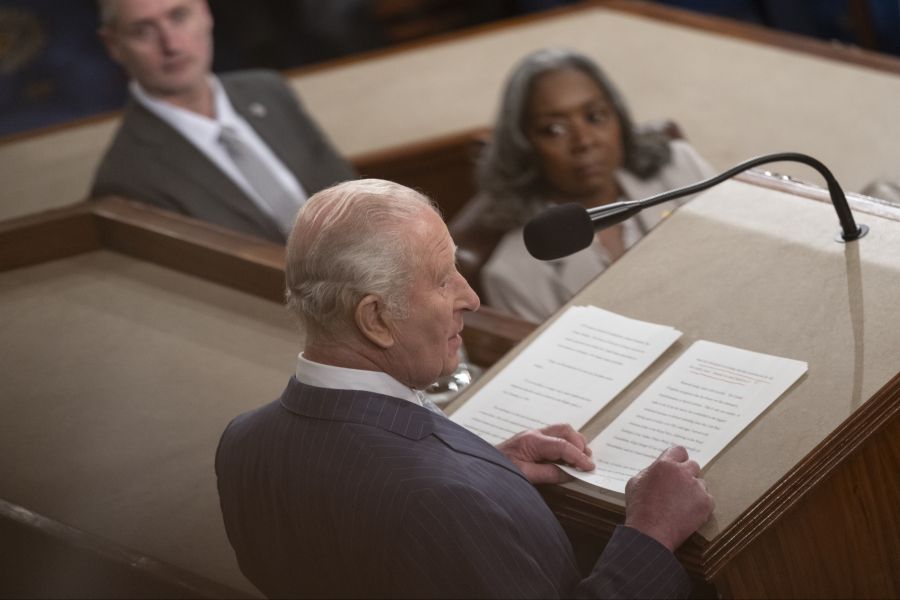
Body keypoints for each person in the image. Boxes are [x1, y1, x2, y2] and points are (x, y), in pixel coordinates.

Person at [215, 178, 714, 598]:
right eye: (441, 280)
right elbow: (420, 510)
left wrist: (486, 466)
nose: (471, 297)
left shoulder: (242, 443)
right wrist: (652, 532)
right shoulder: (443, 503)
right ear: (376, 319)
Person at [476, 48, 715, 322]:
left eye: (595, 117)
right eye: (554, 130)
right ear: (523, 146)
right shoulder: (512, 274)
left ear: (619, 118)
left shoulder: (680, 166)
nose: (584, 141)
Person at [90, 0, 355, 243]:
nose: (171, 44)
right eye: (143, 31)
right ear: (114, 46)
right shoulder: (123, 181)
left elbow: (355, 197)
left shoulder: (269, 90)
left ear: (205, 13)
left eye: (179, 16)